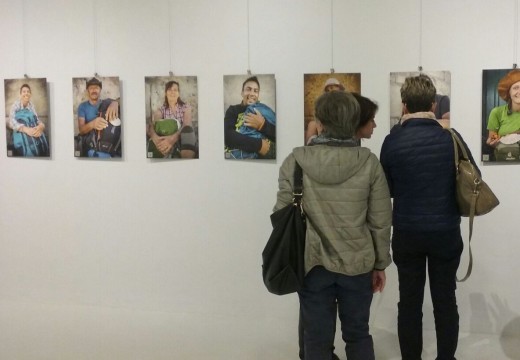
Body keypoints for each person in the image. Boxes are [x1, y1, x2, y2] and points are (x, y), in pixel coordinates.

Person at [275, 91, 392, 360]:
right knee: (358, 334)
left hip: (312, 265)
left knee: (316, 339)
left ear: (321, 122)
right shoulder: (369, 163)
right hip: (358, 265)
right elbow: (381, 221)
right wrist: (380, 264)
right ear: (352, 122)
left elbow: (281, 214)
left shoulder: (295, 162)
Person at [380, 74, 479, 360]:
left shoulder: (392, 141)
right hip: (445, 233)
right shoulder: (451, 138)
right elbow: (474, 179)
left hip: (407, 232)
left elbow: (385, 188)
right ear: (434, 104)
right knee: (445, 300)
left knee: (409, 303)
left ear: (404, 105)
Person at [224, 76, 276, 159]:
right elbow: (227, 136)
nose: (252, 93)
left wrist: (263, 125)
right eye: (248, 89)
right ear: (242, 93)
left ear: (258, 95)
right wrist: (259, 145)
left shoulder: (264, 110)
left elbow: (278, 134)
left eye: (256, 91)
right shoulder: (233, 110)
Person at [148, 80, 197, 158]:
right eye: (169, 90)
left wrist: (173, 138)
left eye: (175, 90)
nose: (172, 92)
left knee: (188, 130)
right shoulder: (161, 110)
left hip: (182, 137)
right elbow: (154, 125)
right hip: (166, 138)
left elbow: (186, 125)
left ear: (178, 94)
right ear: (165, 93)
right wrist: (155, 138)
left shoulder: (186, 107)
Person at [77, 77, 121, 158]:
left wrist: (116, 103)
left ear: (100, 90)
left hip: (111, 145)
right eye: (91, 88)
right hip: (92, 146)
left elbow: (121, 101)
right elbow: (81, 130)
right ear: (88, 91)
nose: (94, 90)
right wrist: (93, 124)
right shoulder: (82, 107)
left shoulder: (106, 103)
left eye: (96, 88)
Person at [486, 69, 520, 161]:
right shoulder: (497, 112)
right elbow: (491, 138)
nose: (519, 92)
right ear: (509, 92)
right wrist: (492, 142)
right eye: (516, 88)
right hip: (503, 162)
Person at [8, 83, 49, 157]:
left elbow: (36, 119)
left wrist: (41, 126)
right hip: (22, 133)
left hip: (33, 134)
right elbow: (11, 121)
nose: (26, 93)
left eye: (28, 91)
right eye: (24, 91)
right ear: (20, 94)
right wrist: (25, 129)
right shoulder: (16, 105)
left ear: (30, 94)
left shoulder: (31, 105)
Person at [305, 77, 346, 145]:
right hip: (324, 123)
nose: (330, 90)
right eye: (328, 89)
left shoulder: (346, 100)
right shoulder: (323, 101)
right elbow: (319, 114)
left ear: (339, 87)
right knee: (312, 125)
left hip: (340, 124)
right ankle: (311, 146)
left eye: (332, 87)